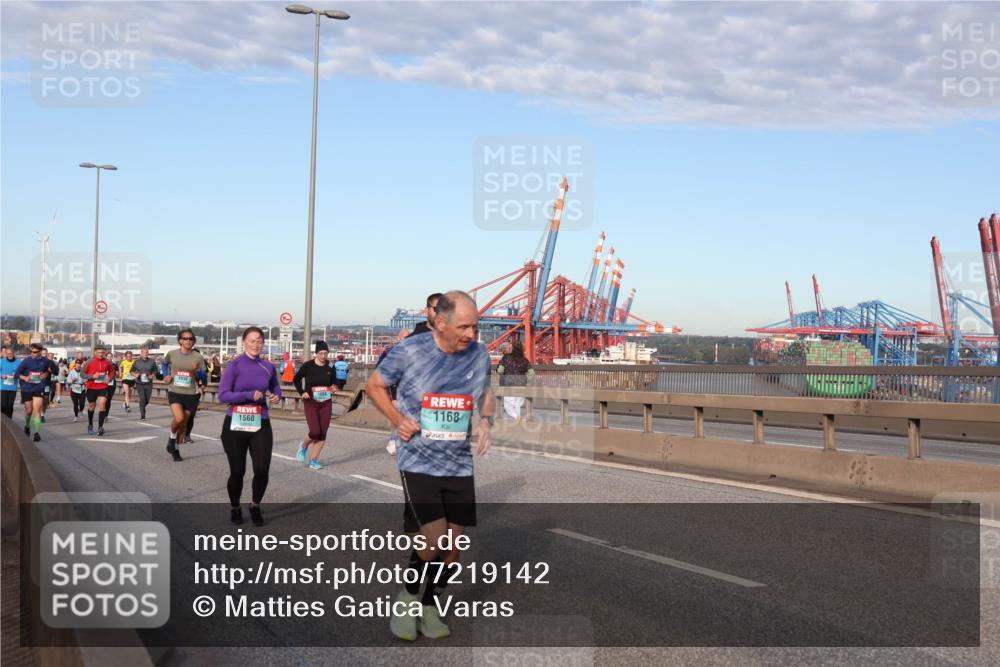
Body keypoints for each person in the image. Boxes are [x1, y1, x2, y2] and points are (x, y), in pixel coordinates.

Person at [367, 291, 494, 641]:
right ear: (440, 322)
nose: (471, 334)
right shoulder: (409, 351)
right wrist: (397, 418)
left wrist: (485, 420)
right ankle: (407, 601)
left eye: (475, 326)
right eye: (464, 326)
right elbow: (374, 384)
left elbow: (486, 391)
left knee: (453, 547)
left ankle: (430, 606)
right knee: (433, 539)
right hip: (418, 457)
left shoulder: (479, 354)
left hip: (458, 462)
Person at [217, 326, 281, 526]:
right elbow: (223, 395)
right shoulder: (234, 366)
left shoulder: (268, 366)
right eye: (252, 340)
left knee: (262, 469)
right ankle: (235, 507)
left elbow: (276, 387)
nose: (256, 344)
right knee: (238, 471)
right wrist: (247, 395)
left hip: (260, 420)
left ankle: (254, 505)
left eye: (260, 341)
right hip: (235, 422)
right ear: (244, 342)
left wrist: (276, 395)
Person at [164, 330, 207, 461]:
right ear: (180, 340)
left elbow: (203, 375)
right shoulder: (172, 354)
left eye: (191, 339)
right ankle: (171, 438)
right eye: (185, 338)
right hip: (175, 391)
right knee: (179, 417)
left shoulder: (198, 357)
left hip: (191, 393)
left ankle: (175, 449)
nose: (188, 341)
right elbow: (164, 364)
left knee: (183, 424)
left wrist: (196, 372)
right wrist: (166, 374)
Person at [293, 341, 337, 470]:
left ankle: (314, 460)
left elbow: (334, 382)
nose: (323, 356)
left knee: (323, 433)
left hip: (326, 402)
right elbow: (296, 379)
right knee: (315, 431)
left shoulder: (331, 366)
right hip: (311, 402)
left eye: (325, 353)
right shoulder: (308, 366)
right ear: (316, 354)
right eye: (321, 353)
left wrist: (334, 387)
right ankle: (304, 446)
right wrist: (303, 392)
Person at [16, 344, 51, 441]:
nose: (32, 354)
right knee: (29, 411)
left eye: (35, 352)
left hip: (38, 387)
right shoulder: (26, 361)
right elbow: (17, 374)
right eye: (31, 351)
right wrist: (25, 378)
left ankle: (36, 433)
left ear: (40, 352)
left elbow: (48, 371)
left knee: (37, 410)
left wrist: (45, 374)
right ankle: (27, 426)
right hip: (27, 388)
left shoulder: (45, 361)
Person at [81, 345, 113, 436]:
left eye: (102, 353)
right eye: (99, 352)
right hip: (91, 387)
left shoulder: (107, 362)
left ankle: (100, 427)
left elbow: (112, 372)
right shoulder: (89, 362)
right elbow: (82, 374)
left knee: (102, 404)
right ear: (95, 352)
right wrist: (92, 376)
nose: (101, 354)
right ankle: (90, 424)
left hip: (103, 386)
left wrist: (109, 379)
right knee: (92, 406)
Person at [497, 340, 533, 421]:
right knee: (517, 405)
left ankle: (516, 418)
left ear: (512, 348)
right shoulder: (525, 360)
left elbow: (500, 370)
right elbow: (532, 373)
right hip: (521, 384)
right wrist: (526, 380)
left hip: (508, 384)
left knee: (507, 405)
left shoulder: (506, 358)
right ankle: (518, 423)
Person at [131, 347, 159, 421]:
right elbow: (131, 371)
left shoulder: (152, 362)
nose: (145, 354)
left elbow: (155, 371)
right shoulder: (136, 362)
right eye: (144, 352)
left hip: (149, 383)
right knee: (142, 399)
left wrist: (152, 375)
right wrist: (135, 374)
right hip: (139, 383)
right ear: (141, 353)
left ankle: (141, 406)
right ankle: (142, 415)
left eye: (146, 352)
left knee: (147, 400)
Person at [1, 345, 20, 419]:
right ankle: (2, 421)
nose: (9, 355)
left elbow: (21, 372)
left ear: (13, 353)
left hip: (13, 387)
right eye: (8, 353)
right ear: (5, 353)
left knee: (10, 405)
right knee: (3, 405)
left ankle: (9, 421)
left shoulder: (18, 362)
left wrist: (16, 374)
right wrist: (1, 375)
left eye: (11, 353)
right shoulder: (2, 361)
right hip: (3, 387)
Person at [41, 348, 59, 422]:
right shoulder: (36, 362)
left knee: (45, 400)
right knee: (39, 399)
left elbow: (56, 372)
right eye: (43, 354)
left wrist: (51, 371)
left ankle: (42, 413)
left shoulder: (50, 362)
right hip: (37, 384)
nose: (44, 355)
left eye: (45, 354)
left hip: (46, 383)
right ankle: (41, 415)